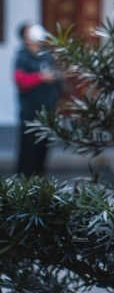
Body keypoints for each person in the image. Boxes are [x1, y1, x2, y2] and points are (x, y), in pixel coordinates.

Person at [13, 22, 65, 177]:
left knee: (43, 149)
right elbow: (20, 81)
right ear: (25, 37)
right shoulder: (22, 57)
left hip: (47, 110)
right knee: (29, 149)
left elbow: (56, 76)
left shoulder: (46, 54)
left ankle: (39, 181)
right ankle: (24, 183)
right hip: (30, 111)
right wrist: (40, 78)